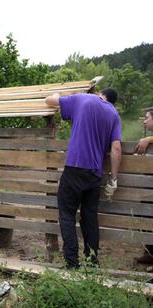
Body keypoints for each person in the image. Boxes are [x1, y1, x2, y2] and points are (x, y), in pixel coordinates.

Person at [45, 88, 122, 269]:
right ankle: (92, 264)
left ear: (100, 94)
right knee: (89, 219)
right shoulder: (114, 114)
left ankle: (72, 264)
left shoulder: (83, 98)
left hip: (74, 169)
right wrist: (114, 179)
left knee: (66, 215)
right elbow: (116, 149)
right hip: (95, 174)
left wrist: (60, 94)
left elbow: (49, 100)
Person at [134, 108, 153, 265]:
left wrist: (149, 139)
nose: (144, 121)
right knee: (146, 218)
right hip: (148, 187)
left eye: (147, 118)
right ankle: (150, 253)